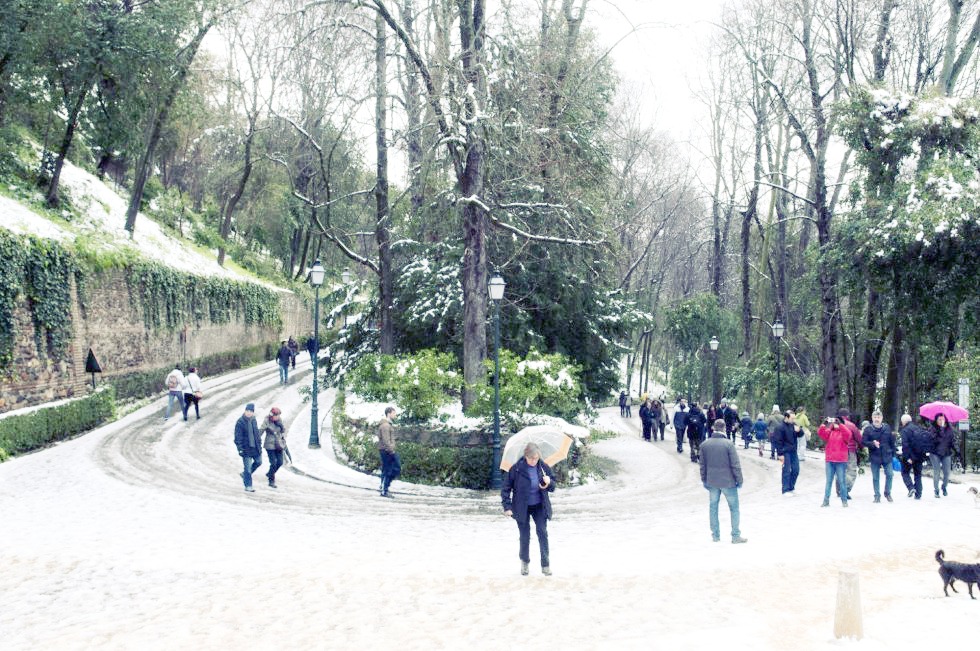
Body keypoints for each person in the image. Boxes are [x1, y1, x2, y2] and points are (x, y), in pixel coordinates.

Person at [501, 442, 557, 576]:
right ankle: (525, 562)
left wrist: (549, 482)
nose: (534, 461)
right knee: (524, 536)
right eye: (531, 458)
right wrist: (507, 507)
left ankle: (545, 565)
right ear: (526, 456)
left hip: (539, 505)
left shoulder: (543, 467)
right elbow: (505, 489)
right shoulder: (516, 469)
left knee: (542, 533)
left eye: (536, 458)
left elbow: (553, 487)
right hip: (522, 507)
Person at [700, 419, 747, 544]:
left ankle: (715, 535)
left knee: (713, 508)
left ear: (713, 428)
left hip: (712, 481)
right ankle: (735, 535)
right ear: (724, 428)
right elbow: (735, 464)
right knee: (734, 508)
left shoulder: (704, 444)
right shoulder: (728, 444)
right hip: (728, 482)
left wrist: (704, 479)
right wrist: (739, 480)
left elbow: (702, 465)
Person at [817, 416, 853, 507]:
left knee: (842, 481)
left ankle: (844, 501)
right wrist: (824, 423)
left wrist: (840, 424)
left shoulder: (844, 433)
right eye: (834, 422)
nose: (835, 424)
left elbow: (848, 434)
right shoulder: (830, 432)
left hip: (841, 461)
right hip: (830, 460)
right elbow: (820, 433)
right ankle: (826, 501)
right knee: (829, 481)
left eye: (837, 422)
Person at [862, 409, 896, 503]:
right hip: (875, 456)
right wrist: (872, 443)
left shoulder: (887, 427)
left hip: (887, 455)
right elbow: (863, 442)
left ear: (882, 418)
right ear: (872, 418)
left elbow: (892, 441)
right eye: (875, 417)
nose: (877, 419)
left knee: (890, 474)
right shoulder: (868, 429)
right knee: (875, 477)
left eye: (878, 417)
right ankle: (877, 495)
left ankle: (887, 493)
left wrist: (893, 454)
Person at [772, 410, 803, 495]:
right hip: (785, 452)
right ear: (786, 417)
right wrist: (780, 454)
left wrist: (799, 430)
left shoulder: (793, 425)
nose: (793, 420)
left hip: (793, 451)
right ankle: (785, 490)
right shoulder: (780, 427)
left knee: (796, 470)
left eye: (794, 418)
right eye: (792, 418)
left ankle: (791, 488)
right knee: (786, 470)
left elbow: (801, 434)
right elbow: (777, 441)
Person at [899, 414, 929, 499]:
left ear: (903, 421)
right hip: (919, 456)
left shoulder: (905, 430)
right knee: (918, 475)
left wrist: (907, 457)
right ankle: (918, 494)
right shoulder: (918, 428)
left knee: (905, 472)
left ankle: (911, 487)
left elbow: (905, 445)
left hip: (910, 456)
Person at [233, 403, 262, 492]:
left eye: (251, 411)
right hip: (246, 449)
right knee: (248, 468)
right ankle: (248, 486)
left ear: (253, 412)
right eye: (247, 411)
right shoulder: (240, 422)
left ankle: (244, 475)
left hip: (255, 448)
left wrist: (259, 444)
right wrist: (240, 449)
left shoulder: (254, 420)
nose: (249, 413)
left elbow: (256, 434)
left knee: (259, 462)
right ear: (245, 411)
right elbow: (237, 437)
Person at [929, 413, 958, 498]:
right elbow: (933, 440)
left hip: (946, 453)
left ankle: (944, 486)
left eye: (943, 419)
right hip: (935, 453)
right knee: (937, 471)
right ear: (936, 420)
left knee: (947, 472)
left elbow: (953, 441)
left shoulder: (949, 429)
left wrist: (957, 451)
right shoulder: (932, 428)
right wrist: (941, 430)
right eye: (939, 419)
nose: (941, 421)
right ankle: (936, 490)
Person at [837, 409, 863, 496]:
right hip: (850, 450)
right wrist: (862, 447)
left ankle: (839, 489)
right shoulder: (851, 425)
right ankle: (845, 490)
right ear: (847, 416)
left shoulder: (834, 424)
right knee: (851, 471)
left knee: (840, 470)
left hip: (838, 451)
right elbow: (859, 438)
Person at [378, 406, 401, 498]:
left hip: (386, 450)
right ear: (389, 413)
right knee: (394, 468)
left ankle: (383, 488)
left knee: (387, 469)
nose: (395, 415)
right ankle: (384, 489)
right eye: (394, 413)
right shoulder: (385, 426)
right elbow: (386, 440)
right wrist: (391, 451)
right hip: (387, 450)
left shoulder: (387, 424)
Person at [262, 407, 286, 488]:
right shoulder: (267, 420)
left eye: (278, 415)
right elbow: (261, 429)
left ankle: (270, 473)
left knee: (280, 462)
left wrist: (281, 426)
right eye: (276, 415)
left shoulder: (279, 420)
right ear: (272, 415)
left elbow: (283, 431)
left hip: (278, 444)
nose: (278, 417)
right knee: (273, 463)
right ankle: (271, 480)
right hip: (269, 444)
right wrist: (256, 439)